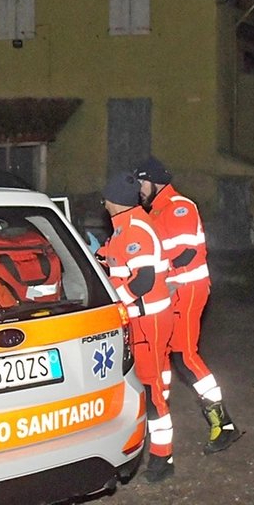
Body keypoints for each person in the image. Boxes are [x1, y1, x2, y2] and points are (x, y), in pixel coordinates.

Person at [134, 156, 242, 454]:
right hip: (169, 292)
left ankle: (223, 422)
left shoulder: (179, 206)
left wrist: (153, 269)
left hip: (187, 290)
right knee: (164, 356)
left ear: (154, 181)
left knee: (184, 356)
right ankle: (159, 410)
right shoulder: (154, 211)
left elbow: (185, 255)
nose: (139, 189)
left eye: (141, 182)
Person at [98, 171, 176, 483]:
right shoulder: (126, 226)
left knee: (150, 387)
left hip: (147, 319)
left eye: (105, 198)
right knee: (152, 384)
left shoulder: (134, 228)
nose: (102, 203)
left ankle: (162, 456)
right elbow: (120, 263)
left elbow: (142, 280)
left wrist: (119, 303)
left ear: (114, 201)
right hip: (145, 317)